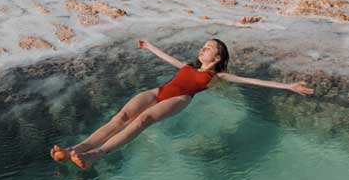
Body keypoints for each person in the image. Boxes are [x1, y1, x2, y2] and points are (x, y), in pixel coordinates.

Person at [51, 38, 315, 169]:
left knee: (142, 121)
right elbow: (168, 59)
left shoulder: (216, 75)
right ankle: (74, 149)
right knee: (121, 117)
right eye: (203, 45)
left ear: (219, 55)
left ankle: (95, 156)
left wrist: (288, 86)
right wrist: (149, 46)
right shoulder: (190, 65)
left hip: (179, 100)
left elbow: (251, 81)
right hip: (159, 91)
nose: (203, 49)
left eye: (209, 47)